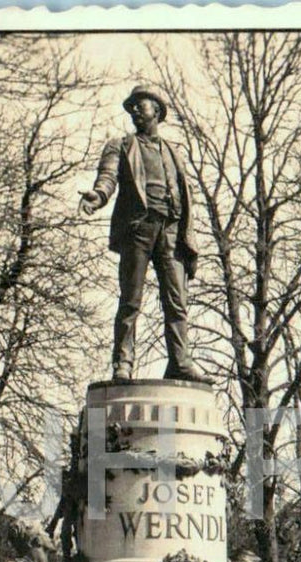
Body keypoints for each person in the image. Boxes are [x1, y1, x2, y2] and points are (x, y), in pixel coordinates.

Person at [80, 84, 211, 384]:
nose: (136, 110)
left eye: (141, 104)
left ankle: (180, 361)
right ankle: (123, 364)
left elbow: (182, 190)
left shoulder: (173, 152)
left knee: (176, 302)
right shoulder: (122, 145)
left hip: (171, 231)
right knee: (130, 300)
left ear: (158, 110)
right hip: (139, 228)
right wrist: (98, 196)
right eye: (133, 106)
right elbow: (108, 177)